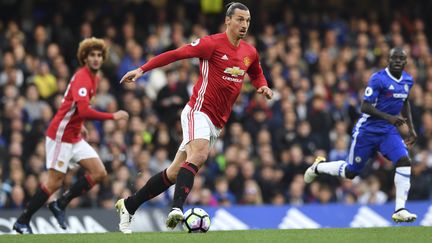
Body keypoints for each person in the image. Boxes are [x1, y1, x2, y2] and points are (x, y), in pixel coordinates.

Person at [115, 2, 273, 233]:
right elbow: (177, 54)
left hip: (217, 123)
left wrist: (263, 86)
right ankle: (176, 209)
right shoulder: (211, 44)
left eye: (247, 21)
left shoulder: (250, 52)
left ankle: (128, 206)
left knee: (173, 173)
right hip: (198, 111)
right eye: (239, 19)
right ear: (228, 20)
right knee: (199, 154)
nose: (244, 25)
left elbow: (256, 72)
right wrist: (142, 69)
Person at [13, 37, 129, 234]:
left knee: (99, 173)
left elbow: (77, 108)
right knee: (54, 182)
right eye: (92, 55)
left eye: (99, 55)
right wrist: (113, 116)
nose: (96, 58)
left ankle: (61, 203)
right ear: (84, 57)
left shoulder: (95, 78)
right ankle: (22, 221)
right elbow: (83, 110)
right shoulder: (82, 77)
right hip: (60, 135)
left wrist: (80, 125)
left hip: (74, 134)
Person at [304, 47, 418, 223]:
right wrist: (390, 117)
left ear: (405, 61)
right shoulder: (378, 79)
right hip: (367, 131)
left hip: (388, 132)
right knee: (351, 172)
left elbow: (405, 102)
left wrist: (410, 128)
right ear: (388, 59)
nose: (397, 61)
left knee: (404, 160)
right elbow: (365, 107)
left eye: (401, 58)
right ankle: (319, 167)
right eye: (394, 58)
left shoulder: (408, 80)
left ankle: (400, 209)